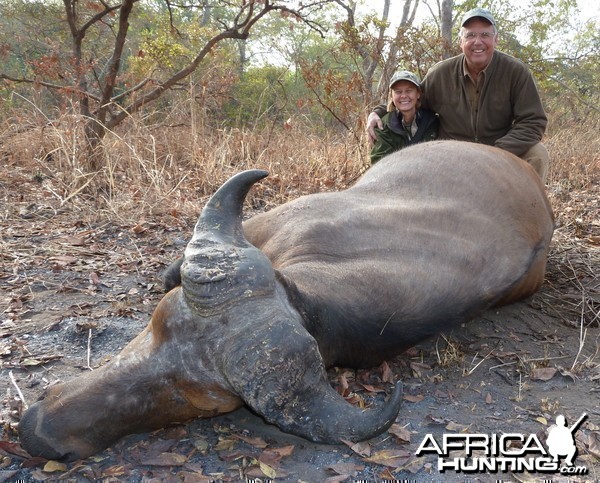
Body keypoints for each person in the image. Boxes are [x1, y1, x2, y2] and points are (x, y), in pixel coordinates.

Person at [366, 7, 550, 182]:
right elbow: (413, 100)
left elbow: (533, 121)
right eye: (470, 35)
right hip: (452, 153)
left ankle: (527, 212)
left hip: (500, 150)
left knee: (538, 154)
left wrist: (498, 151)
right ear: (461, 42)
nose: (478, 42)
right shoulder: (441, 73)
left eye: (485, 35)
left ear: (496, 39)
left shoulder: (515, 71)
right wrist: (378, 112)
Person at [370, 70, 439, 164]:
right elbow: (379, 163)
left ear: (418, 94)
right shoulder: (384, 126)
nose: (403, 96)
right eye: (398, 92)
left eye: (409, 91)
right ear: (392, 96)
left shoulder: (432, 122)